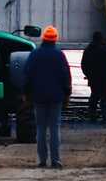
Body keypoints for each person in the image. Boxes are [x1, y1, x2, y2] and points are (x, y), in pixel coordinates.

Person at [22, 25, 72, 168]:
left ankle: (42, 160)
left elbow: (27, 75)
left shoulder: (35, 54)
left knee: (41, 128)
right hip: (56, 97)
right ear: (55, 39)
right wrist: (67, 94)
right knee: (54, 128)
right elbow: (66, 76)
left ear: (43, 38)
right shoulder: (59, 55)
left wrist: (26, 93)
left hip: (38, 97)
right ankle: (55, 160)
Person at [80, 31, 106, 122]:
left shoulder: (88, 50)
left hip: (94, 78)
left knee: (94, 96)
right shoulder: (105, 49)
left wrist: (88, 75)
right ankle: (104, 116)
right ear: (101, 39)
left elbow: (83, 65)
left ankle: (92, 115)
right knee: (105, 97)